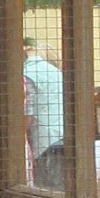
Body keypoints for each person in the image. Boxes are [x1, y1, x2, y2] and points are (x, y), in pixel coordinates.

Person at [20, 40, 67, 190]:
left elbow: (28, 112)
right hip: (65, 135)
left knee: (48, 191)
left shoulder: (27, 76)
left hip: (46, 140)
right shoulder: (54, 71)